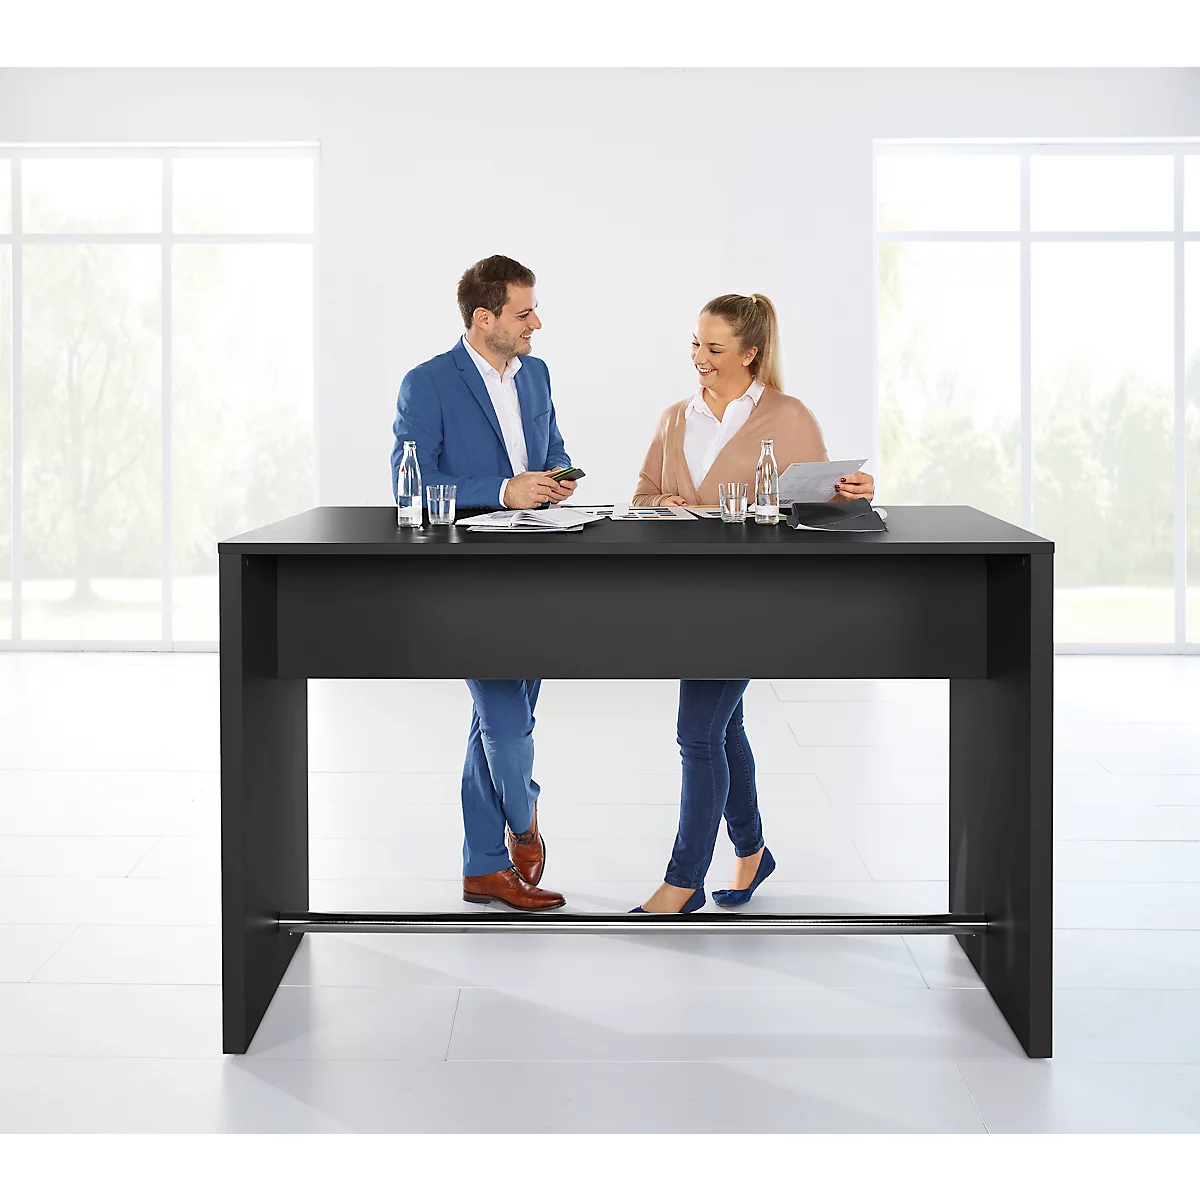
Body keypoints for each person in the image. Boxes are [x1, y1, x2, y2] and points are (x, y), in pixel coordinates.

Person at [630, 293, 875, 914]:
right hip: (687, 597)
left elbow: (822, 508)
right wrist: (675, 507)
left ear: (750, 353)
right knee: (722, 725)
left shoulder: (788, 416)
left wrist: (853, 492)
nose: (699, 359)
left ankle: (682, 881)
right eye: (695, 345)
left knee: (697, 731)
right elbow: (643, 498)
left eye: (714, 349)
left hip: (751, 597)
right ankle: (753, 852)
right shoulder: (674, 418)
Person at [392, 255, 576, 911]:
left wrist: (556, 479)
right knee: (505, 720)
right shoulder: (427, 383)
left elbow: (548, 452)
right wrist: (502, 490)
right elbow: (408, 487)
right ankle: (523, 823)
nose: (537, 323)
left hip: (538, 563)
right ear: (485, 318)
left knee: (501, 715)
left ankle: (483, 867)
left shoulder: (538, 375)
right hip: (468, 573)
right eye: (525, 313)